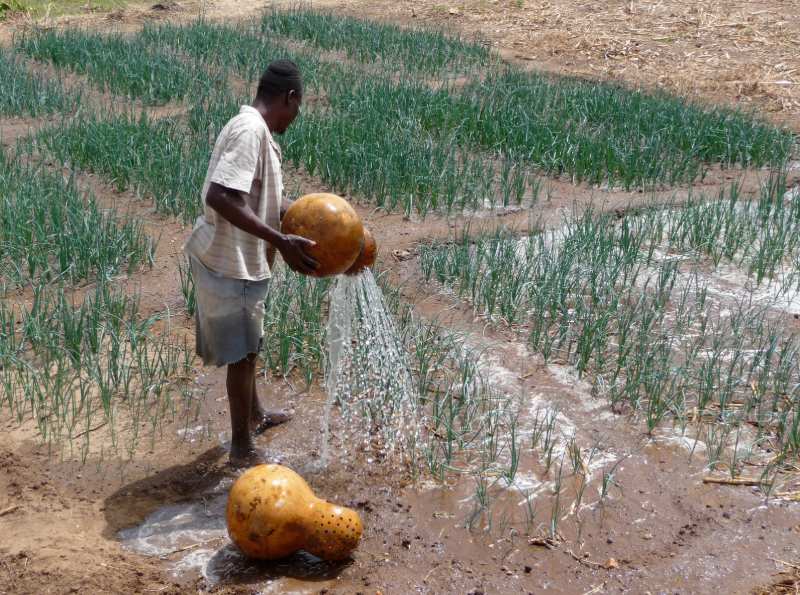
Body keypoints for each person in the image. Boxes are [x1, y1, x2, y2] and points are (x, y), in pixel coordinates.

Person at [184, 59, 318, 467]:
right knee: (242, 355)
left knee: (250, 345)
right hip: (231, 262)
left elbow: (263, 200)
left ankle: (256, 414)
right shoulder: (250, 131)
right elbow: (221, 197)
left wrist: (314, 219)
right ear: (289, 98)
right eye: (297, 108)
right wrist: (280, 239)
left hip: (242, 259)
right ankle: (241, 446)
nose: (295, 118)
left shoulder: (257, 131)